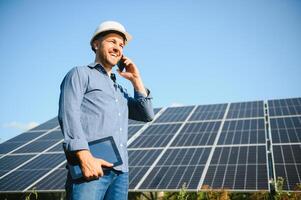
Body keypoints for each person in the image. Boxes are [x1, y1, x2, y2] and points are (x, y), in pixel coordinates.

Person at [58, 21, 154, 200]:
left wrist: (136, 79)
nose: (118, 48)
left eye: (121, 45)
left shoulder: (119, 90)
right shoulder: (80, 74)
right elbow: (68, 114)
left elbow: (147, 114)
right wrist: (85, 157)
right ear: (96, 44)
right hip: (91, 166)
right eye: (112, 41)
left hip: (121, 172)